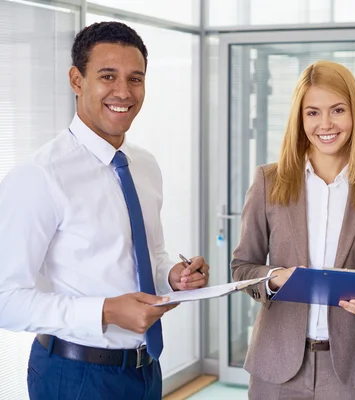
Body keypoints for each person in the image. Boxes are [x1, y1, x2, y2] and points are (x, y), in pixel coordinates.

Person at [0, 22, 210, 400]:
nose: (123, 92)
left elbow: (149, 256)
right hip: (74, 375)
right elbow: (5, 300)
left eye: (135, 79)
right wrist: (106, 312)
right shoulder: (40, 175)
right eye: (107, 76)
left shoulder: (143, 165)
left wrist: (173, 276)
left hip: (145, 369)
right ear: (76, 80)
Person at [230, 60, 355, 399]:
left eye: (337, 110)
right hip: (276, 367)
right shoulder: (269, 182)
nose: (325, 124)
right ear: (300, 118)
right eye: (312, 112)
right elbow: (242, 269)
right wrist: (277, 276)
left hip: (350, 369)